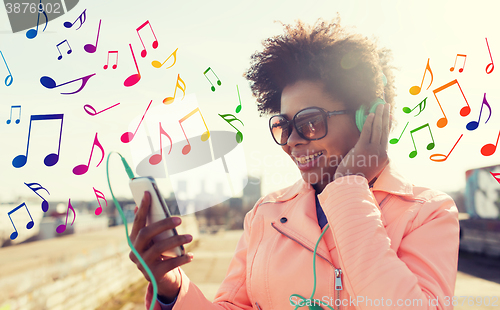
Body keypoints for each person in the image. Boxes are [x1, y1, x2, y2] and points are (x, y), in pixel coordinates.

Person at [129, 17, 459, 310]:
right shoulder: (265, 216)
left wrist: (347, 188)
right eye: (282, 126)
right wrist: (173, 291)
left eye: (310, 122)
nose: (293, 140)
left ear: (368, 118)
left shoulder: (426, 213)